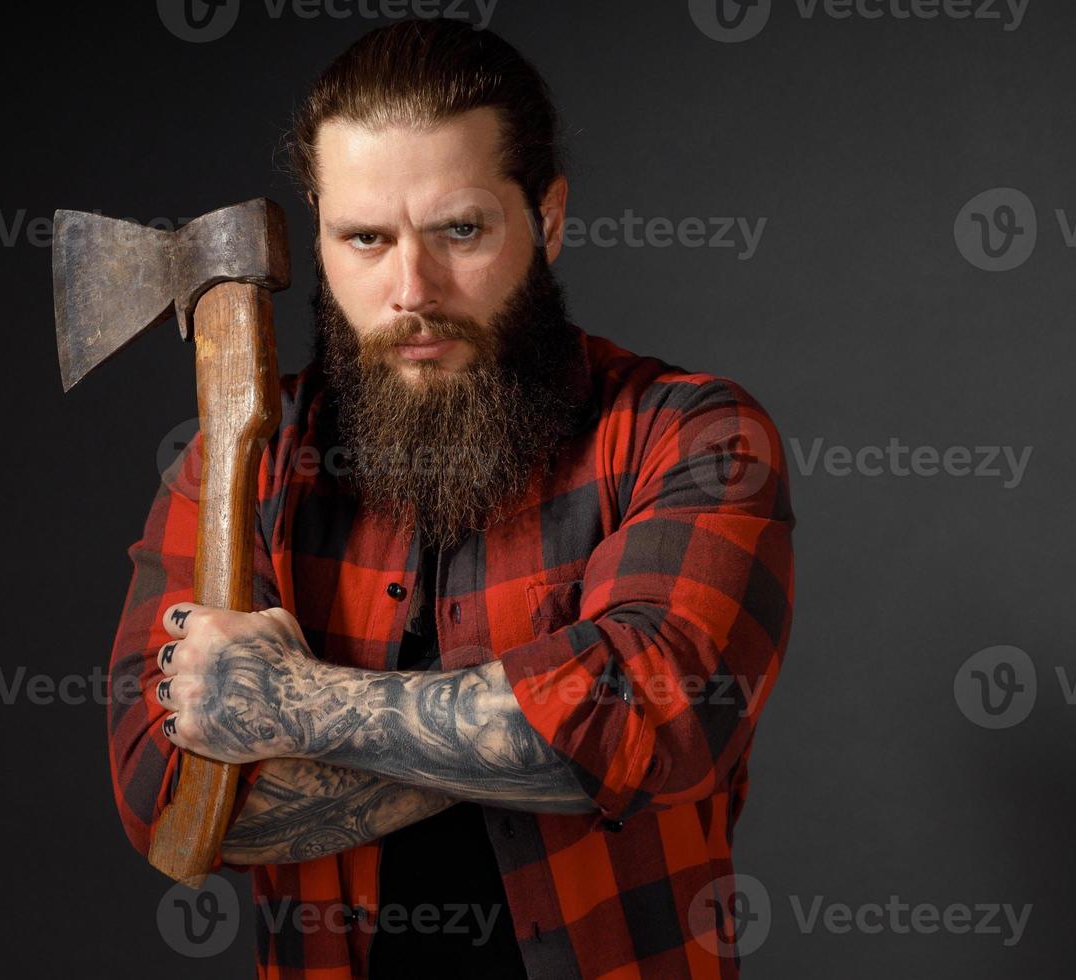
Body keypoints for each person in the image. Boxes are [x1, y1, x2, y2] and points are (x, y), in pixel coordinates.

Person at [108, 17, 795, 979]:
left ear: (546, 218)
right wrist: (537, 728)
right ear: (319, 233)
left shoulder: (695, 435)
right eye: (364, 237)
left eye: (459, 230)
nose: (410, 289)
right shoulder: (241, 469)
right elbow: (170, 799)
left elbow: (663, 721)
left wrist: (292, 704)